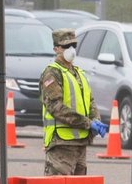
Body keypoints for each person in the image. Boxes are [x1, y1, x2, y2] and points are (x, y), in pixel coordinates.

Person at [39, 28, 107, 175]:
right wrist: (88, 123)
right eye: (66, 46)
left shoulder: (78, 73)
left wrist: (96, 119)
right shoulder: (52, 73)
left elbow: (90, 101)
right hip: (61, 144)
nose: (71, 50)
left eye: (74, 46)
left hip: (81, 142)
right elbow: (55, 107)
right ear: (56, 49)